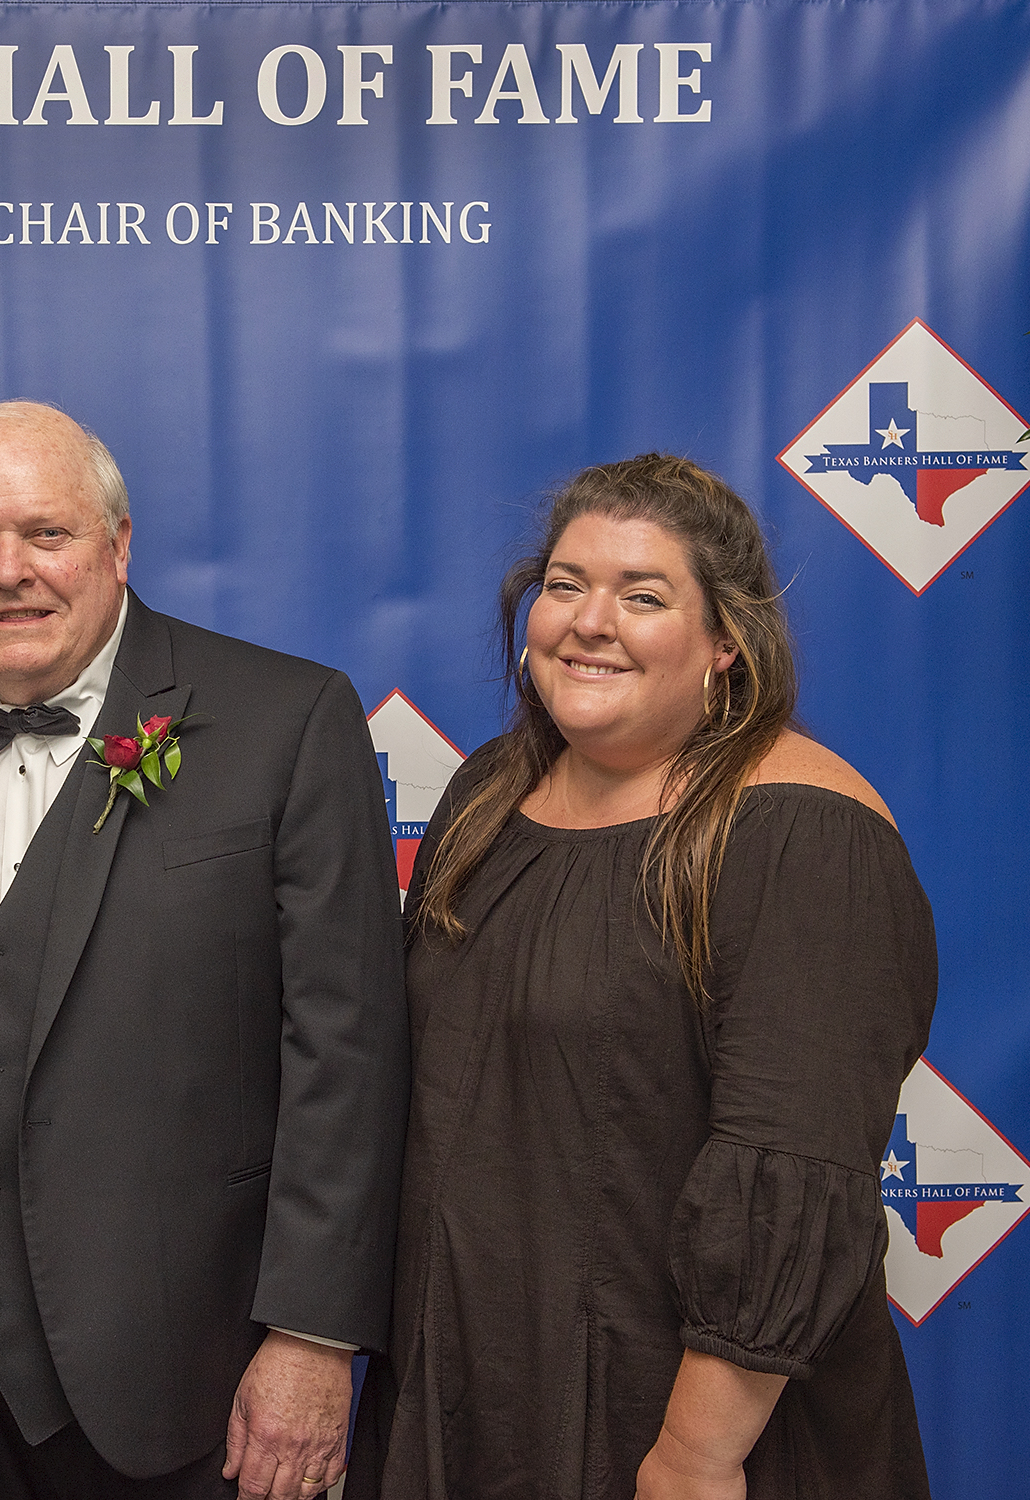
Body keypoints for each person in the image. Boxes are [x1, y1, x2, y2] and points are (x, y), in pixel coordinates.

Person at [0, 401, 411, 1500]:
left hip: (186, 1380)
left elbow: (346, 1054)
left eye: (46, 534)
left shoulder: (286, 719)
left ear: (119, 544)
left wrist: (310, 1340)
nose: (9, 571)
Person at [347, 455, 936, 1500]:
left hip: (680, 1427)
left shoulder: (804, 834)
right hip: (480, 1396)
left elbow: (792, 1175)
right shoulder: (489, 794)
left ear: (726, 642)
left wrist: (698, 1456)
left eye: (644, 595)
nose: (589, 622)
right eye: (565, 584)